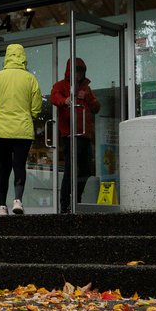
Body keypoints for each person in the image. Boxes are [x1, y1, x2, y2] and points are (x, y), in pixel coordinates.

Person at [0, 43, 42, 216]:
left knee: (5, 166)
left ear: (7, 56)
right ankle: (18, 200)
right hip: (23, 130)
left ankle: (1, 206)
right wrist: (29, 117)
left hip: (2, 130)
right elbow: (37, 106)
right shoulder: (30, 79)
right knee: (19, 165)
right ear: (23, 57)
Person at [50, 57, 100, 213]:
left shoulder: (86, 88)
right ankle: (65, 205)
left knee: (85, 170)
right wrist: (65, 100)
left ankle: (76, 200)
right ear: (70, 71)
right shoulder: (61, 85)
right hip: (71, 135)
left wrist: (88, 99)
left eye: (81, 71)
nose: (78, 74)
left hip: (85, 134)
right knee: (70, 170)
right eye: (76, 71)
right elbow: (55, 97)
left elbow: (97, 107)